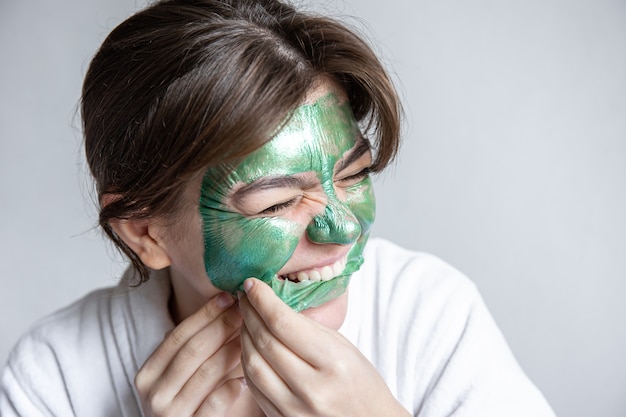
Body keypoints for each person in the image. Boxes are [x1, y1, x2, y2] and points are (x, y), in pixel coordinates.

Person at [0, 0, 557, 416]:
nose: (341, 230)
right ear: (146, 231)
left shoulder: (429, 314)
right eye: (279, 202)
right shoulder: (54, 374)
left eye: (355, 174)